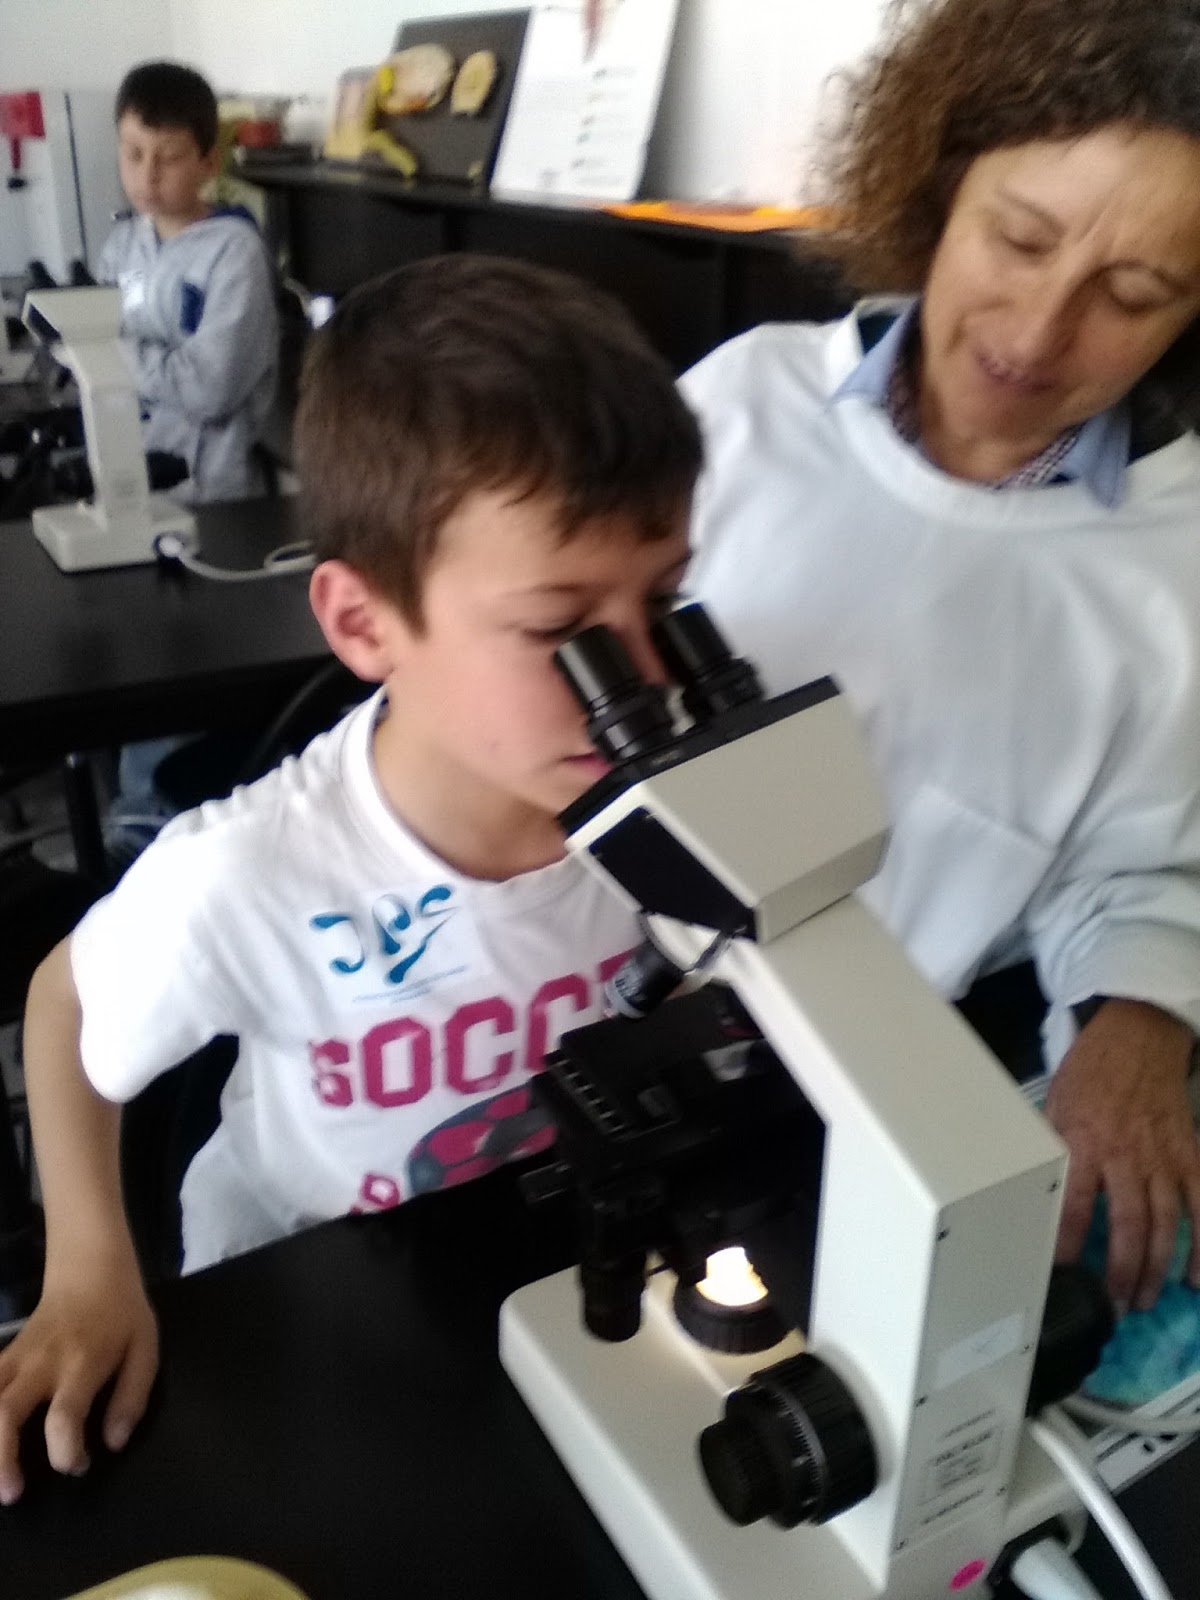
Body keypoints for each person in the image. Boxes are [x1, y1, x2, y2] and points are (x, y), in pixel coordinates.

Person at [0, 255, 700, 1505]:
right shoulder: (253, 868)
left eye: (668, 600)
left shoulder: (660, 804)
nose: (641, 679)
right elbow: (66, 1003)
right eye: (561, 630)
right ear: (366, 622)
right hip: (300, 1294)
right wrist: (89, 1266)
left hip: (531, 1264)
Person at [682, 0, 1200, 1320]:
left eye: (1132, 295)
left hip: (874, 1103)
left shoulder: (1177, 554)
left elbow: (1145, 868)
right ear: (936, 190)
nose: (1038, 333)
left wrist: (1137, 1027)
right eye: (1018, 239)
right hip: (579, 1024)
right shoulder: (742, 408)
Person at [97, 59, 278, 504]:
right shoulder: (122, 246)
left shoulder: (234, 253)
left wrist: (116, 355)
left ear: (208, 162)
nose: (147, 175)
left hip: (212, 492)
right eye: (133, 153)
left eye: (170, 157)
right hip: (130, 478)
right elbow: (91, 357)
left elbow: (209, 389)